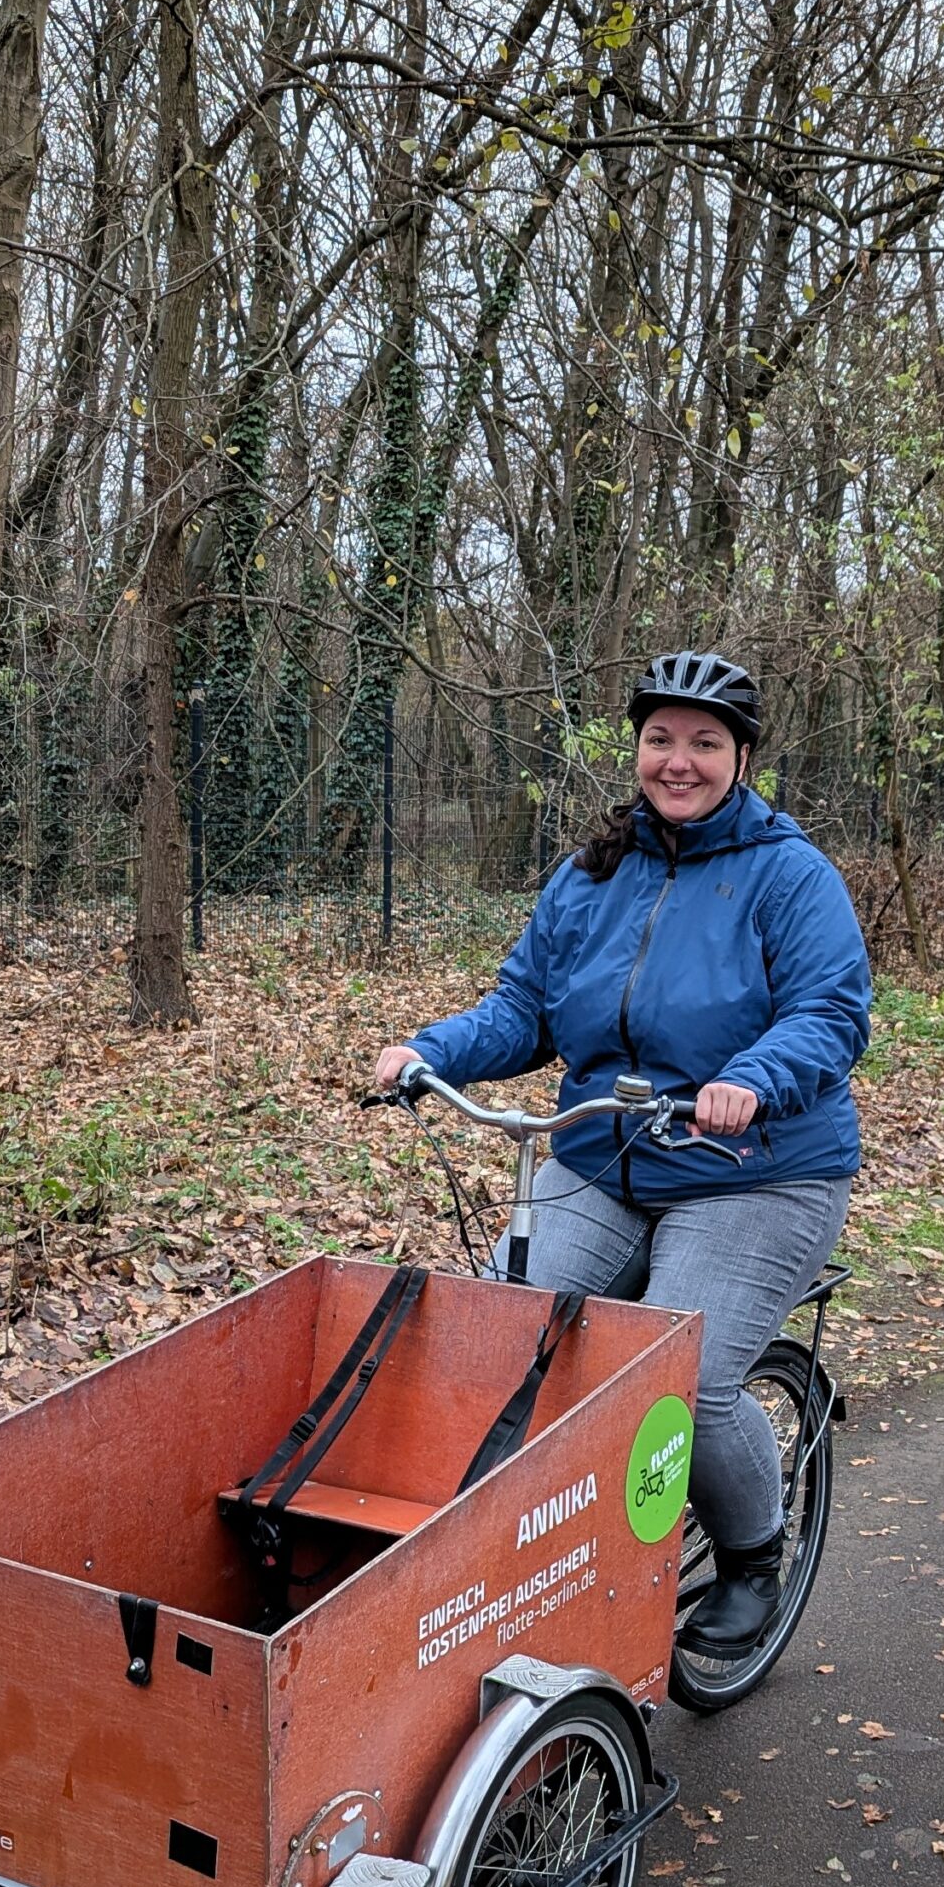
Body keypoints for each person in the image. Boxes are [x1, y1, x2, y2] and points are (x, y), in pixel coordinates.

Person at [374, 650, 871, 1654]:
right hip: (604, 1154)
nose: (676, 761)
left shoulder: (786, 874)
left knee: (680, 1380)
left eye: (702, 743)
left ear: (740, 756)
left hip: (754, 1169)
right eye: (659, 740)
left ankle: (751, 1555)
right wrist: (432, 1051)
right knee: (496, 1337)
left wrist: (757, 1078)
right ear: (635, 747)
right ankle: (528, 1556)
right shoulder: (592, 872)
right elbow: (525, 1010)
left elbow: (830, 1010)